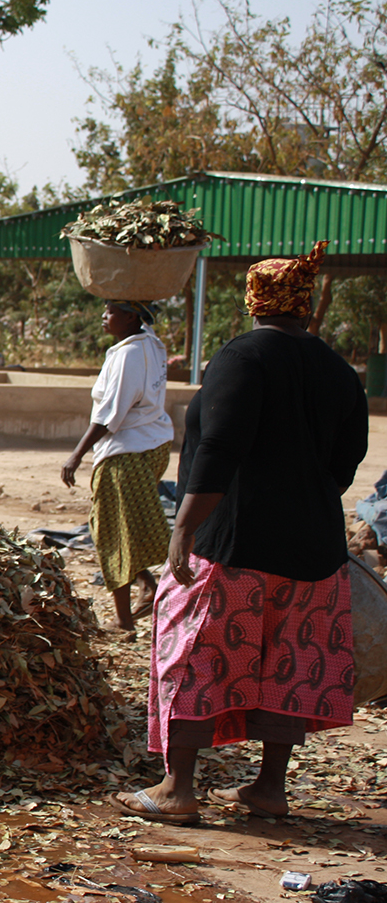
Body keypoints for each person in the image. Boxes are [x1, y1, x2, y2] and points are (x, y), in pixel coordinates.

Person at [113, 240, 369, 823]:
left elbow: (220, 449)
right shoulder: (338, 370)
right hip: (315, 553)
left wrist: (183, 528)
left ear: (254, 301)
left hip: (234, 548)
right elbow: (347, 461)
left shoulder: (242, 359)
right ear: (304, 305)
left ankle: (177, 790)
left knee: (193, 653)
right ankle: (269, 790)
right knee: (291, 660)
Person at [61, 300, 173, 631]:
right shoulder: (152, 342)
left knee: (111, 533)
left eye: (110, 311)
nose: (103, 317)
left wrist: (76, 455)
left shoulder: (128, 355)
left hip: (127, 452)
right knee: (121, 526)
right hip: (154, 444)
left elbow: (111, 414)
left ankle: (124, 620)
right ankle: (148, 587)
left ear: (130, 316)